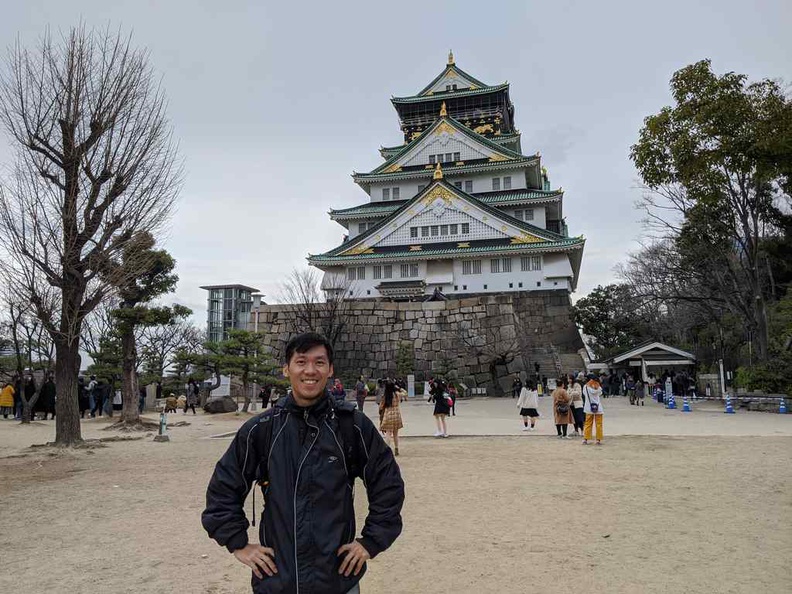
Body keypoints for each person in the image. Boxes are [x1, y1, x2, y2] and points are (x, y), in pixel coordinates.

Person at [202, 332, 404, 594]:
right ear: (286, 369)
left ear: (330, 369)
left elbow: (387, 483)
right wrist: (238, 543)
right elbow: (223, 489)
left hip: (337, 579)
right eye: (301, 362)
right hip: (278, 579)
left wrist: (371, 541)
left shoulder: (351, 425)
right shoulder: (261, 429)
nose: (310, 370)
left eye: (319, 362)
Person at [379, 380, 404, 455]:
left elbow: (381, 406)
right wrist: (399, 388)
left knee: (388, 433)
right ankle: (396, 449)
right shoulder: (396, 394)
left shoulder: (385, 396)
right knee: (395, 433)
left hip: (388, 415)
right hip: (396, 415)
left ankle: (387, 449)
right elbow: (405, 393)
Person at [582, 373, 604, 445]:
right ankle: (598, 440)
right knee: (599, 424)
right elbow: (600, 393)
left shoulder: (585, 387)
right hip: (598, 408)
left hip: (588, 408)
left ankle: (586, 439)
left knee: (588, 423)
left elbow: (584, 394)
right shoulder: (598, 387)